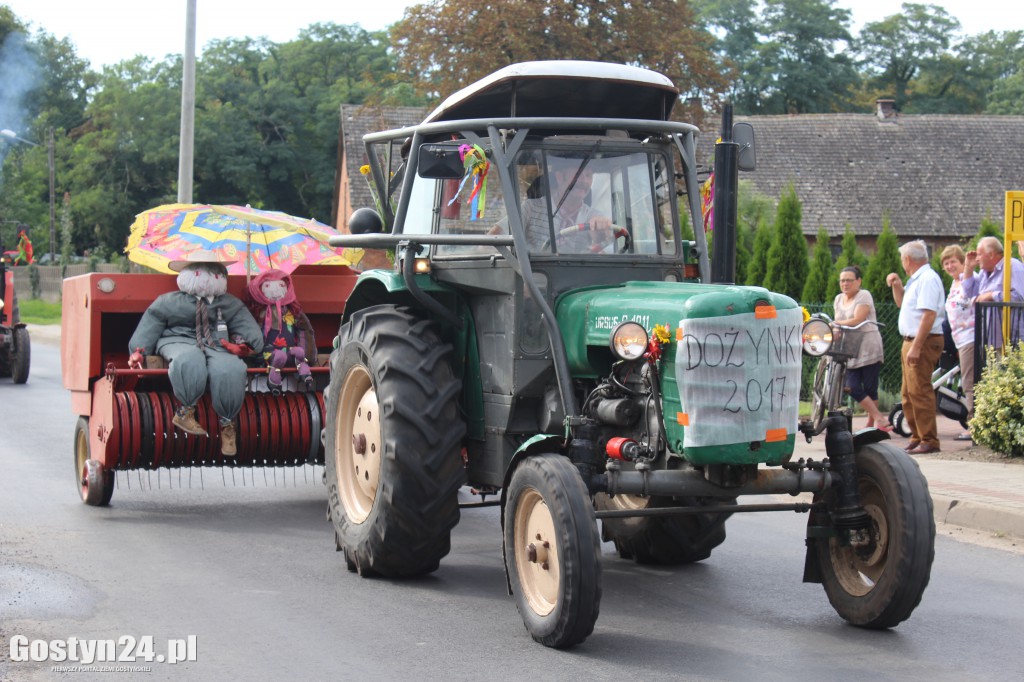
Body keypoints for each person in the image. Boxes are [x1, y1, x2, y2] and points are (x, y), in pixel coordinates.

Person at [128, 250, 265, 456]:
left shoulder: (229, 304)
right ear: (188, 275)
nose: (208, 278)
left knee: (231, 368)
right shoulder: (168, 302)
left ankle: (227, 424)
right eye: (200, 273)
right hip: (178, 340)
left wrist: (246, 345)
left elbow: (247, 328)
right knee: (189, 359)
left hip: (218, 344)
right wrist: (139, 350)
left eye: (215, 273)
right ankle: (186, 411)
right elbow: (152, 323)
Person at [886, 240, 946, 454]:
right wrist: (897, 286)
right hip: (912, 340)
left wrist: (917, 346)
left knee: (919, 391)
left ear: (908, 259)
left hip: (922, 341)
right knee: (908, 393)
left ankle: (929, 439)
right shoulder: (916, 279)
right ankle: (917, 436)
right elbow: (903, 304)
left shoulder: (928, 279)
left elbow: (929, 315)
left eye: (902, 258)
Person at [491, 154, 616, 253]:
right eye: (578, 174)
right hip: (536, 279)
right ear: (560, 177)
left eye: (588, 175)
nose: (584, 181)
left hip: (578, 282)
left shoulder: (593, 216)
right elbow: (494, 239)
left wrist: (600, 233)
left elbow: (604, 249)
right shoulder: (531, 209)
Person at [832, 265, 890, 430]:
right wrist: (835, 330)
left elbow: (857, 319)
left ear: (858, 281)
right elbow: (839, 322)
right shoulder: (838, 299)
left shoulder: (864, 295)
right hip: (849, 347)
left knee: (870, 387)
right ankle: (879, 417)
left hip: (868, 345)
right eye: (842, 280)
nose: (845, 284)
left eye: (849, 280)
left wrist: (836, 324)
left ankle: (872, 422)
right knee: (850, 386)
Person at [246, 269, 317, 393]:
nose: (275, 290)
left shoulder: (293, 312)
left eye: (281, 285)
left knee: (299, 352)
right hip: (266, 355)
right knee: (279, 356)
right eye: (267, 286)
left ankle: (304, 372)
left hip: (289, 353)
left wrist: (307, 354)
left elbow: (305, 330)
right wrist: (252, 355)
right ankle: (274, 380)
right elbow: (250, 333)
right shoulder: (258, 314)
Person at [940, 244, 976, 441]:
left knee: (970, 383)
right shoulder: (954, 284)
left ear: (962, 262)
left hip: (971, 337)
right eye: (945, 263)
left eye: (953, 261)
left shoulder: (969, 280)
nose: (949, 266)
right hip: (959, 339)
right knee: (968, 382)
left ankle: (973, 425)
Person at [961, 235, 1024, 349]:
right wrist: (968, 268)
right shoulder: (983, 273)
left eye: (979, 254)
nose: (977, 259)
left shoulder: (1012, 266)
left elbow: (1020, 298)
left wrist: (991, 296)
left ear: (991, 254)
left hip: (1012, 341)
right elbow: (968, 294)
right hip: (991, 340)